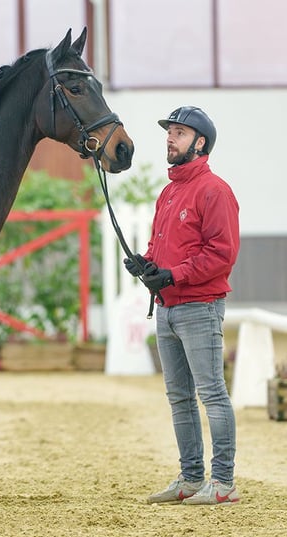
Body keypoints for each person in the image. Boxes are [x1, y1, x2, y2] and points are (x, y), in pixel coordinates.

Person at [124, 106, 241, 505]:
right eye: (169, 132)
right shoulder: (169, 192)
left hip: (199, 307)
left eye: (179, 132)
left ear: (200, 142)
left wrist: (173, 275)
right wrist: (146, 264)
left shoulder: (215, 191)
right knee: (179, 398)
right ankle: (192, 478)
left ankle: (223, 482)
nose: (169, 138)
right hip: (168, 308)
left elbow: (222, 254)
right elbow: (165, 249)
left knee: (212, 394)